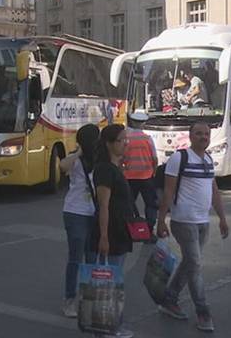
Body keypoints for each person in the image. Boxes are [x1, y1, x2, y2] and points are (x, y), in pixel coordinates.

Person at [156, 121, 229, 333]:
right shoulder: (179, 158)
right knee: (195, 265)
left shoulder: (208, 159)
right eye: (198, 134)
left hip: (203, 222)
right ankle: (203, 312)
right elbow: (168, 192)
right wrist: (161, 220)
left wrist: (222, 218)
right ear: (190, 136)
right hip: (184, 221)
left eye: (206, 134)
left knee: (189, 263)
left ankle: (169, 299)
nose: (203, 137)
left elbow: (214, 191)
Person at [90, 124, 134, 338]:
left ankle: (109, 326)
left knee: (113, 281)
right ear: (109, 143)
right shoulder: (105, 170)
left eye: (126, 139)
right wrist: (104, 237)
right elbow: (103, 205)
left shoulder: (116, 167)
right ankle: (108, 327)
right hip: (112, 233)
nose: (126, 143)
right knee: (110, 282)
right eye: (121, 140)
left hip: (120, 230)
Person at [58, 123, 99, 318]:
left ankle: (87, 298)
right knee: (75, 258)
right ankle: (69, 299)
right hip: (75, 213)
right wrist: (79, 152)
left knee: (92, 258)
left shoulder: (100, 159)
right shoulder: (76, 160)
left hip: (94, 213)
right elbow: (62, 166)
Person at [122, 113, 158, 239]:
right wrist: (154, 171)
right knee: (151, 205)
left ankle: (130, 230)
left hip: (129, 177)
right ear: (143, 124)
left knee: (128, 204)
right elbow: (154, 158)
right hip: (146, 177)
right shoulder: (147, 139)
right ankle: (148, 231)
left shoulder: (125, 139)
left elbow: (122, 157)